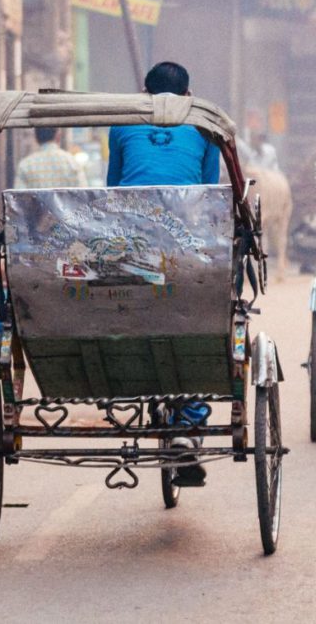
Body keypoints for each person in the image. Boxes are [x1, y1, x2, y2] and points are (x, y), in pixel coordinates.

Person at [106, 61, 217, 487]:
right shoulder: (203, 128)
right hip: (184, 249)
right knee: (198, 327)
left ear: (143, 94)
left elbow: (114, 190)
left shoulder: (121, 127)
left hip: (131, 247)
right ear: (187, 96)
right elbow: (207, 195)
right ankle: (189, 420)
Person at [106, 61, 220, 187]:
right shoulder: (206, 127)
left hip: (132, 205)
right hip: (185, 205)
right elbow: (210, 187)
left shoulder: (121, 124)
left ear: (144, 93)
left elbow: (113, 184)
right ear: (188, 95)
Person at [14, 127, 87, 189]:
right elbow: (84, 196)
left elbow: (18, 201)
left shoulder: (25, 165)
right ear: (58, 136)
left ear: (36, 137)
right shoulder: (72, 162)